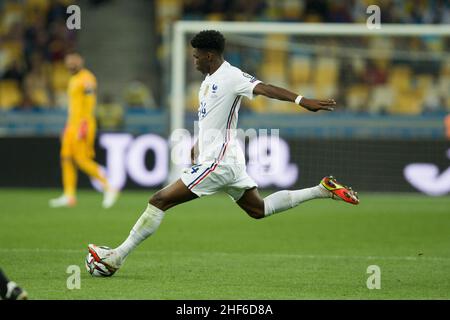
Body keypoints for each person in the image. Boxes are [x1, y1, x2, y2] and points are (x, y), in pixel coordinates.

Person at [88, 30, 359, 273]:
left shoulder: (231, 76)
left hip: (219, 162)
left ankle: (116, 257)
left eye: (196, 56)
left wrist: (302, 100)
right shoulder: (207, 82)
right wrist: (198, 143)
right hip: (225, 160)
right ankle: (321, 190)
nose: (193, 60)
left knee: (159, 200)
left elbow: (264, 88)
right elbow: (212, 119)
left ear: (209, 56)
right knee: (258, 209)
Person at [49, 52, 118, 208]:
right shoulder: (73, 79)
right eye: (68, 62)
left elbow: (90, 103)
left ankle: (109, 187)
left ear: (81, 62)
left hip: (83, 125)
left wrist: (83, 126)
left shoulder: (87, 78)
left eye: (74, 61)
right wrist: (67, 127)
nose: (71, 64)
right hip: (71, 125)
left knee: (81, 160)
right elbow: (74, 107)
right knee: (66, 158)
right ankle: (69, 195)